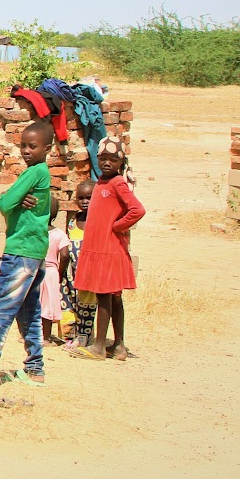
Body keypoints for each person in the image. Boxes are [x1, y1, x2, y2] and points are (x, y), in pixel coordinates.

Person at [0, 120, 54, 385]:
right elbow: (12, 202)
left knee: (2, 307)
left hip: (21, 251)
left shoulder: (33, 174)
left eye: (33, 146)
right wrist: (18, 200)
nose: (27, 151)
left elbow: (4, 203)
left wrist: (13, 199)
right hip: (36, 250)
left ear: (47, 148)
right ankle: (35, 369)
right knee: (29, 310)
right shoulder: (43, 173)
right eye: (23, 146)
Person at [73, 138, 146, 361]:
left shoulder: (116, 183)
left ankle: (99, 347)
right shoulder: (101, 184)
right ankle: (119, 346)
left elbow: (137, 209)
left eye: (112, 160)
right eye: (102, 158)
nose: (106, 163)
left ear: (120, 163)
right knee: (114, 297)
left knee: (104, 295)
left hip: (107, 248)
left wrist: (117, 226)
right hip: (100, 247)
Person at [52, 180, 97, 350]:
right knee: (69, 302)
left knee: (87, 304)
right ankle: (71, 335)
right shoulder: (73, 220)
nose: (85, 201)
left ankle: (84, 336)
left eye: (89, 198)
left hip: (89, 272)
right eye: (81, 198)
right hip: (71, 273)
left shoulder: (97, 221)